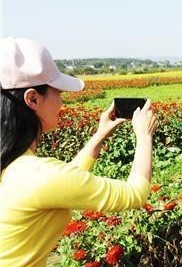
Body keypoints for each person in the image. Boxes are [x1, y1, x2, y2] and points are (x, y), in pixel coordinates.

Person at [0, 37, 158, 266]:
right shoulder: (37, 174)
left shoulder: (17, 166)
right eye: (59, 93)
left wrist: (99, 135)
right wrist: (145, 136)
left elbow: (62, 181)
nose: (62, 102)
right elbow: (134, 194)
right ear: (32, 98)